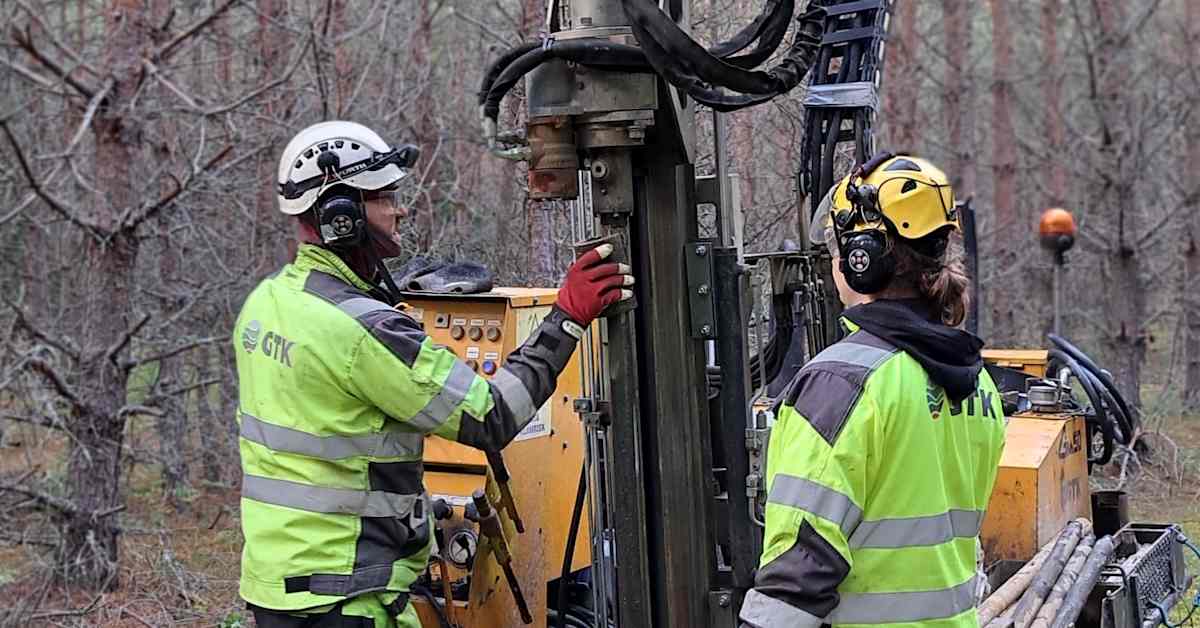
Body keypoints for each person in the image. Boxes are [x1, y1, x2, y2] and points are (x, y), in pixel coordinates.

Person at [233, 120, 634, 628]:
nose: (398, 209)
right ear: (342, 215)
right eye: (385, 197)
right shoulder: (365, 330)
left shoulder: (268, 303)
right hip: (348, 598)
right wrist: (566, 317)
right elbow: (492, 415)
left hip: (278, 591)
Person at [739, 153, 1006, 628]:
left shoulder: (840, 383)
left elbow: (801, 567)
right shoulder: (977, 383)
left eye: (840, 247)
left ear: (863, 258)